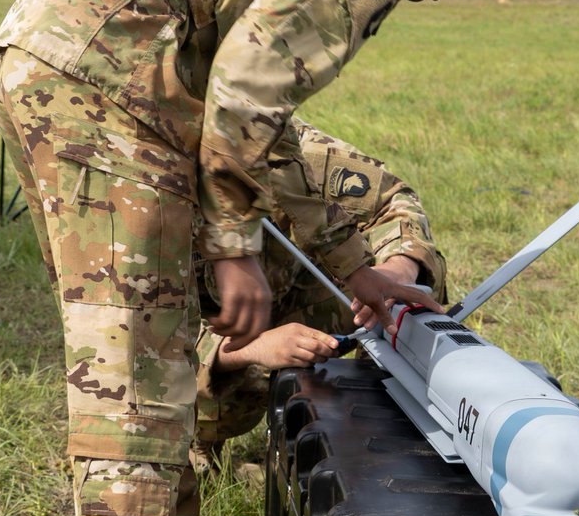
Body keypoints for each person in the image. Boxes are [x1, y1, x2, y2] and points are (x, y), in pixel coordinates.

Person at [0, 0, 510, 516]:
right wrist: (234, 242)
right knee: (136, 404)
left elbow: (269, 129)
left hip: (66, 60)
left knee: (144, 376)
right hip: (111, 78)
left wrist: (356, 262)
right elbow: (247, 84)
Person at [192, 118, 447, 471]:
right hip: (185, 346)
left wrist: (395, 269)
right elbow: (124, 344)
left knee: (398, 289)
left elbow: (393, 201)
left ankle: (372, 434)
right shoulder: (139, 189)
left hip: (281, 299)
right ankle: (194, 446)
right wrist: (251, 349)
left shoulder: (278, 148)